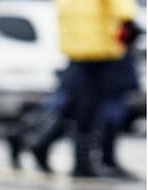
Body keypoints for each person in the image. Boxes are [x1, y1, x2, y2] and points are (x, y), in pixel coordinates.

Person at [7, 42, 141, 178]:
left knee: (79, 106)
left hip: (100, 50)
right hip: (97, 50)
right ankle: (32, 142)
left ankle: (35, 143)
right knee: (75, 105)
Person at [52, 0, 138, 177]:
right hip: (100, 45)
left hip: (78, 44)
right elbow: (122, 8)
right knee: (92, 106)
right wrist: (129, 23)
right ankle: (84, 162)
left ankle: (81, 160)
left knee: (77, 104)